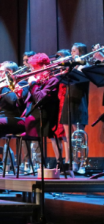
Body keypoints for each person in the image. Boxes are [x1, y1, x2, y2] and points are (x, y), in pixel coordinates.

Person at [15, 53, 62, 170]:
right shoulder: (37, 81)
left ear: (42, 67)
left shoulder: (52, 80)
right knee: (5, 125)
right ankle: (29, 164)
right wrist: (20, 97)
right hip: (31, 116)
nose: (31, 71)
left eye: (33, 68)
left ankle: (39, 164)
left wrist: (33, 84)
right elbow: (24, 105)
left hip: (43, 118)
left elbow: (40, 98)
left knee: (6, 125)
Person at [60, 43, 90, 172]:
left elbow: (82, 77)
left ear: (81, 52)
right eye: (71, 51)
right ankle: (70, 162)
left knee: (79, 135)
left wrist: (75, 65)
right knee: (67, 136)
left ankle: (82, 162)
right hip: (68, 100)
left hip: (79, 101)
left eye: (74, 51)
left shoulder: (84, 65)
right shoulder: (71, 67)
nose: (71, 53)